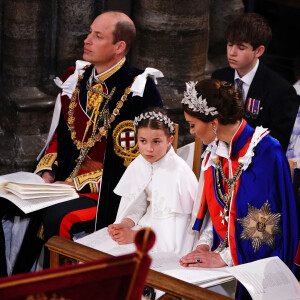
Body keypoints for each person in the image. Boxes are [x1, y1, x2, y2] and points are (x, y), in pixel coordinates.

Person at [0, 11, 163, 275]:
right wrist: (48, 171)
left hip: (105, 193)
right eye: (90, 32)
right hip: (60, 185)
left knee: (56, 217)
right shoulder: (78, 79)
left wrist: (78, 183)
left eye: (97, 36)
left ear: (119, 47)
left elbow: (137, 162)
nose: (86, 40)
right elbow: (59, 135)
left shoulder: (139, 90)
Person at [179, 79, 298, 299]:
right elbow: (218, 210)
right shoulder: (217, 152)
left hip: (256, 266)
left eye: (193, 124)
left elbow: (265, 226)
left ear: (214, 123)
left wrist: (224, 258)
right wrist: (205, 244)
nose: (191, 131)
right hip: (225, 253)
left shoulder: (264, 153)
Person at [107, 107, 198, 255]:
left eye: (156, 141)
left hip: (163, 240)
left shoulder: (178, 173)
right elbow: (137, 205)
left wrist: (136, 236)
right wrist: (125, 223)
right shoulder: (139, 163)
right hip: (144, 226)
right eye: (143, 141)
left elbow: (178, 232)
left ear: (169, 140)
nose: (149, 148)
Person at [211, 12, 299, 152]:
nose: (232, 52)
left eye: (241, 48)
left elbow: (278, 144)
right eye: (230, 44)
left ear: (258, 51)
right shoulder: (219, 78)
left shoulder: (281, 91)